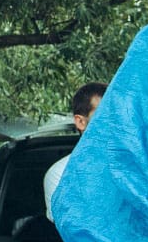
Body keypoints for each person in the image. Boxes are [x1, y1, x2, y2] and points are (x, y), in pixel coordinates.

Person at [44, 82, 107, 221]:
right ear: (80, 122)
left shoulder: (132, 166)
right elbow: (77, 227)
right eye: (103, 115)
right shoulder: (59, 174)